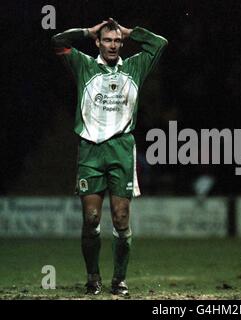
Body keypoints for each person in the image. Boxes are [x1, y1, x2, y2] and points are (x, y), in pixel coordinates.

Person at [52, 18, 167, 296]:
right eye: (107, 40)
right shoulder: (84, 65)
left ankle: (119, 280)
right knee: (91, 218)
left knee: (121, 217)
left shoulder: (135, 67)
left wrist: (132, 32)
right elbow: (58, 42)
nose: (113, 45)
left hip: (121, 149)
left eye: (117, 40)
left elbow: (160, 44)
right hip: (90, 150)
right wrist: (86, 31)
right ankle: (93, 277)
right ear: (98, 42)